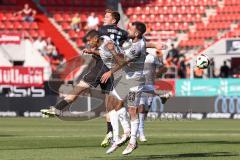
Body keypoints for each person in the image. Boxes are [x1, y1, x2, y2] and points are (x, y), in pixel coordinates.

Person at [101, 22, 147, 155]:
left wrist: (113, 51)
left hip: (134, 82)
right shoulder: (135, 41)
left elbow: (121, 62)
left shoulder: (136, 47)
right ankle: (125, 132)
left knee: (132, 110)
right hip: (126, 80)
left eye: (131, 29)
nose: (128, 31)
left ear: (137, 33)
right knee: (114, 104)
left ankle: (133, 141)